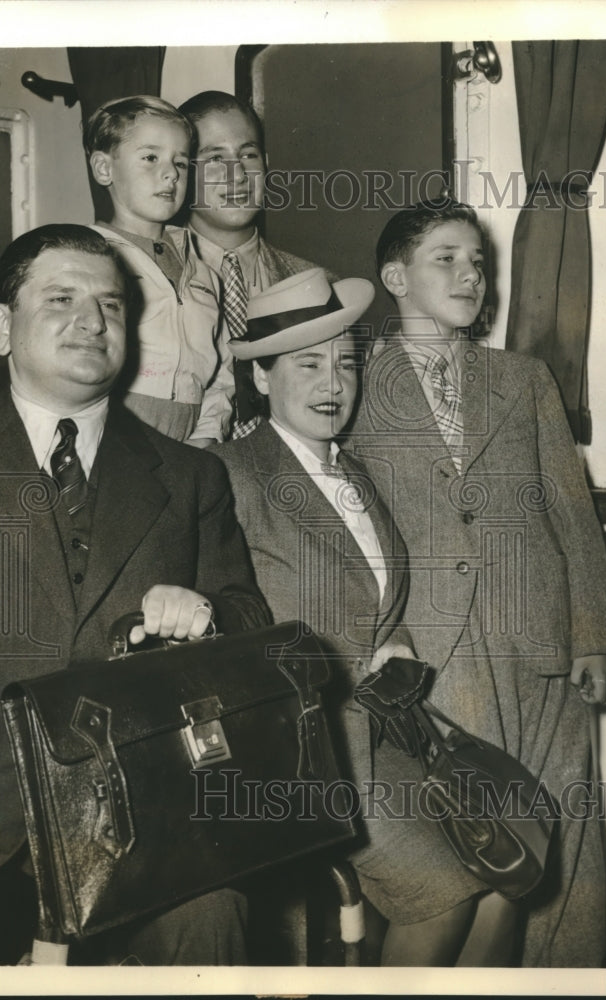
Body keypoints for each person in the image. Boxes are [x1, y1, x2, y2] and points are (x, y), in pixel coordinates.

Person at [0, 224, 270, 966]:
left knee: (214, 921)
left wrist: (206, 618)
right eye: (61, 299)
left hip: (135, 819)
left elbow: (250, 623)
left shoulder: (188, 477)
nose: (92, 321)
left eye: (112, 306)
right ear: (2, 327)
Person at [349, 200, 606, 967]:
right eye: (446, 258)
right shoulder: (351, 382)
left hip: (537, 640)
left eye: (478, 261)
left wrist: (596, 635)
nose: (470, 274)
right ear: (394, 276)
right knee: (471, 853)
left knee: (553, 841)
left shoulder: (523, 377)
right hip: (434, 652)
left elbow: (571, 513)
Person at [211, 267, 461, 966]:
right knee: (449, 891)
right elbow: (227, 628)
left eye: (345, 363)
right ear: (261, 378)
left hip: (383, 737)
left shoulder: (354, 474)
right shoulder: (230, 474)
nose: (332, 383)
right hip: (304, 754)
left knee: (508, 870)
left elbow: (378, 603)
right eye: (308, 364)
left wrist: (397, 641)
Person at [178, 90, 337, 437]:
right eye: (214, 158)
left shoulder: (318, 284)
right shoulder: (148, 281)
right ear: (182, 172)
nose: (236, 175)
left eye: (247, 154)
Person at [84, 95, 232, 446]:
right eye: (150, 157)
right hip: (116, 432)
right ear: (105, 169)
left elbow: (223, 372)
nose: (170, 173)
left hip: (191, 437)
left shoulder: (202, 267)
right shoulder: (89, 255)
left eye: (180, 163)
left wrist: (208, 434)